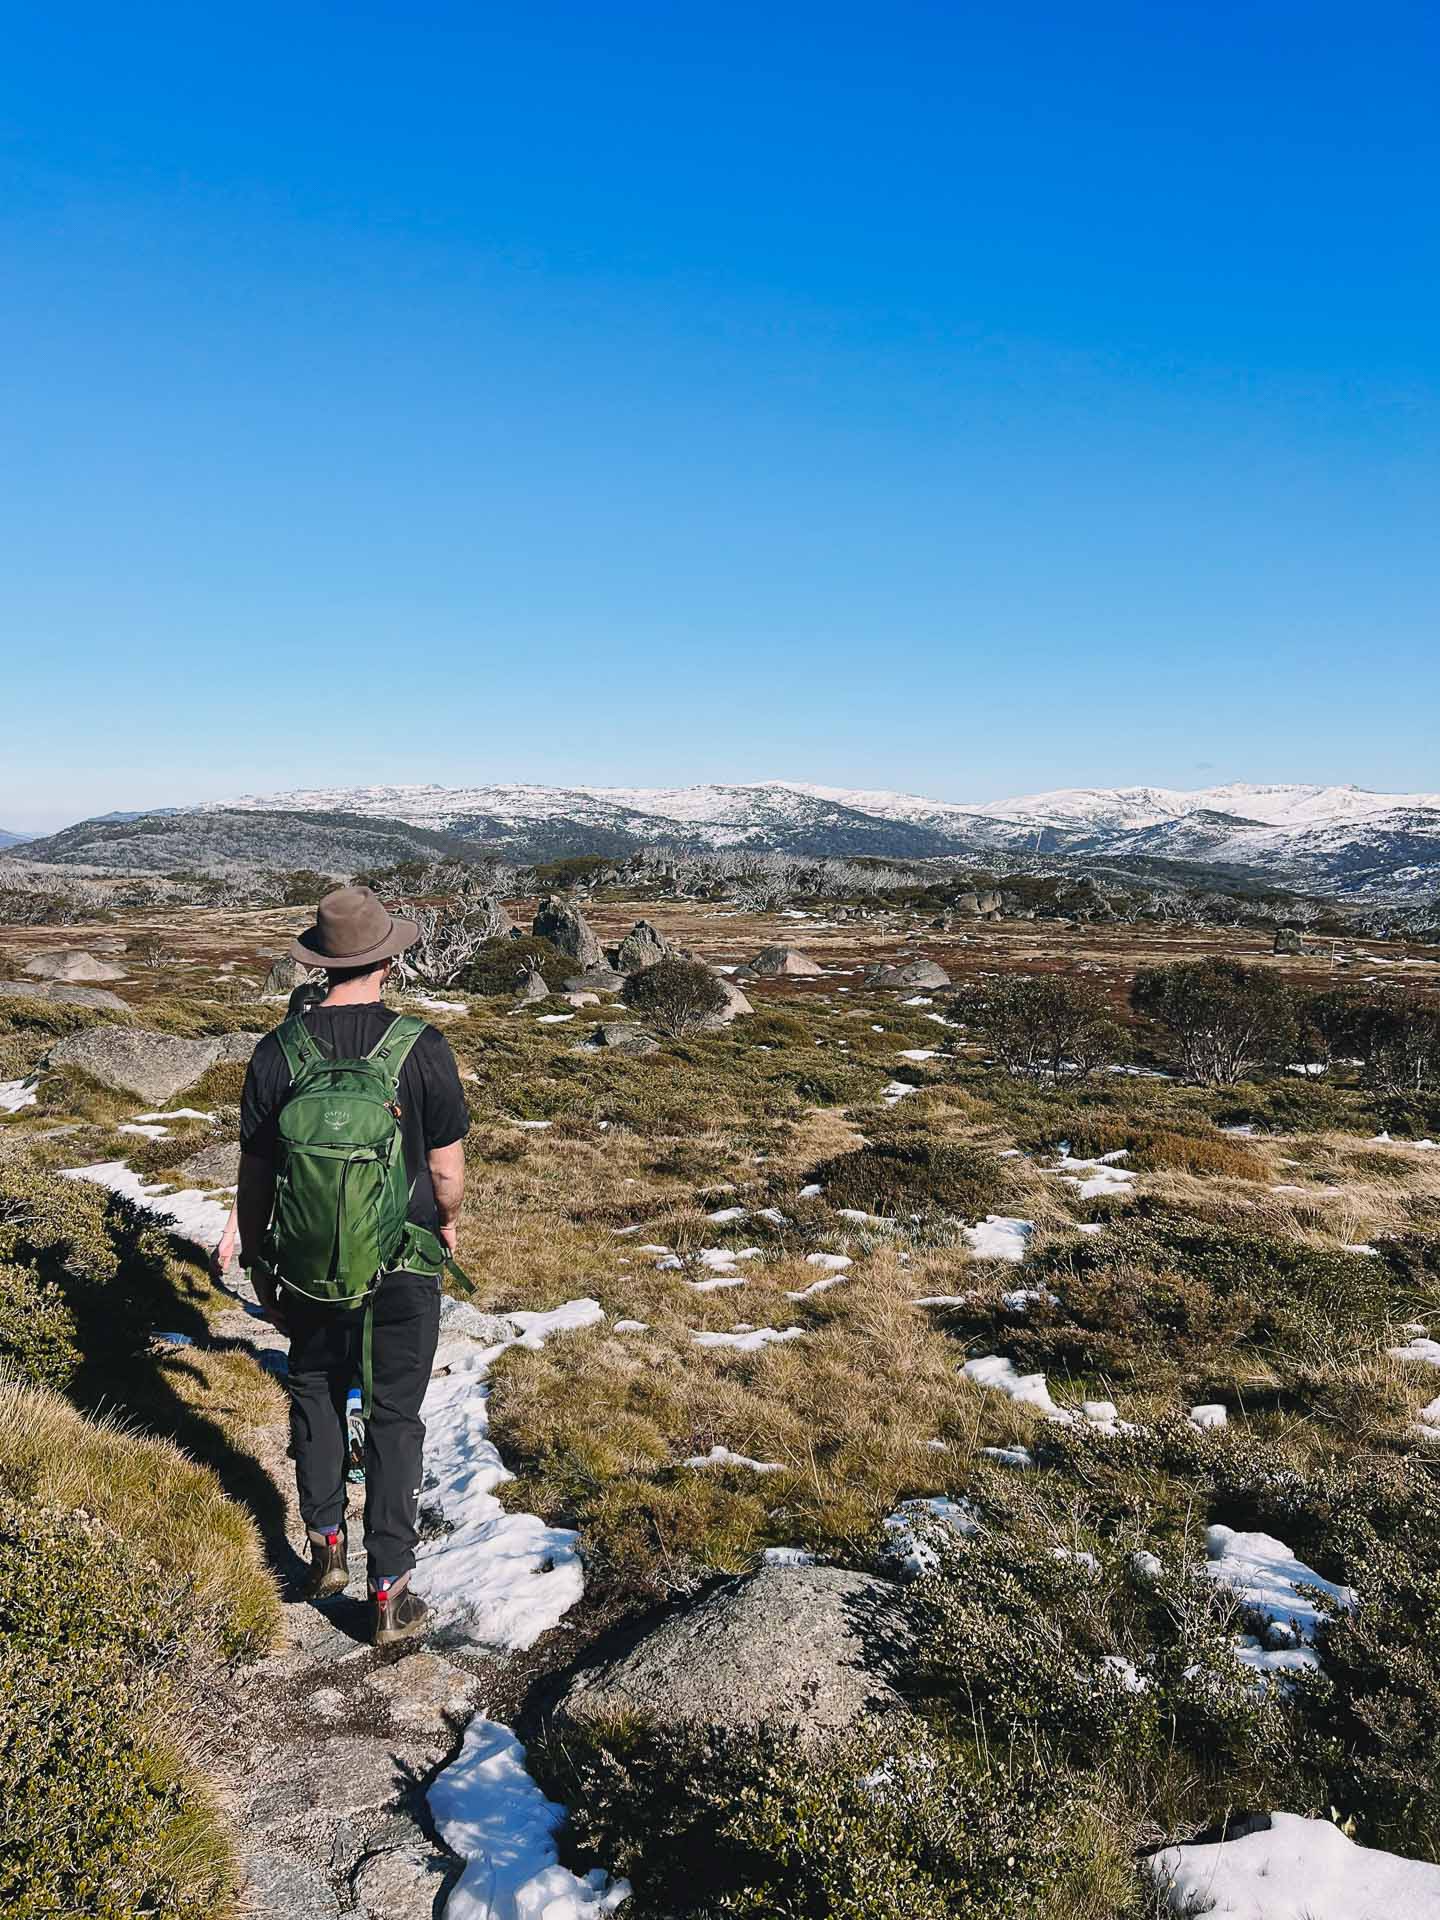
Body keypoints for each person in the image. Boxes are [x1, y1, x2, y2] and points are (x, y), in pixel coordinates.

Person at [234, 886, 470, 1645]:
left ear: (320, 962)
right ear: (390, 958)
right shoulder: (421, 1046)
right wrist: (450, 1226)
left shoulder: (278, 1051)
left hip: (303, 1264)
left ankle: (325, 1547)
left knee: (314, 1390)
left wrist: (262, 1262)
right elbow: (445, 1172)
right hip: (403, 1260)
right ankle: (390, 1593)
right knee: (395, 1415)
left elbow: (256, 1175)